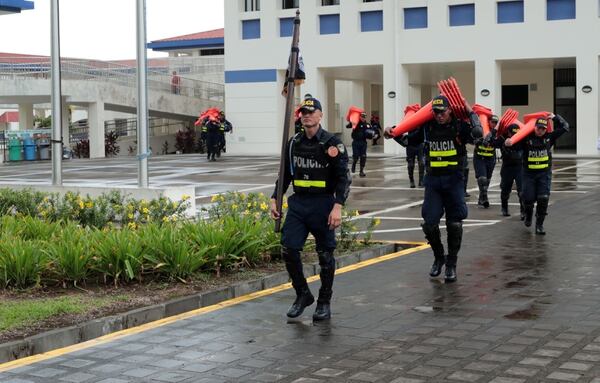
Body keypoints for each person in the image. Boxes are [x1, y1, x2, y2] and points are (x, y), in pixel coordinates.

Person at [386, 95, 482, 283]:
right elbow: (408, 141)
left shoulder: (459, 126)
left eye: (443, 112)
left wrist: (471, 112)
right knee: (429, 223)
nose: (439, 116)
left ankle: (451, 264)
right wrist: (393, 133)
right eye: (436, 112)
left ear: (450, 110)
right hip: (433, 181)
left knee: (455, 223)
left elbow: (478, 135)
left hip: (454, 181)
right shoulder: (426, 127)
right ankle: (439, 257)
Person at [270, 97, 351, 321]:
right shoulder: (294, 143)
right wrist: (275, 198)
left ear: (320, 115)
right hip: (299, 204)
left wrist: (337, 206)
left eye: (311, 111)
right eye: (303, 112)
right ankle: (302, 294)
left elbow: (344, 178)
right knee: (289, 248)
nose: (306, 115)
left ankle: (324, 301)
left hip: (323, 204)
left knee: (325, 255)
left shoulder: (331, 144)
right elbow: (284, 175)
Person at [505, 114, 569, 235]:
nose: (540, 131)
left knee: (543, 199)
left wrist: (555, 117)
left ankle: (539, 225)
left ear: (546, 129)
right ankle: (528, 215)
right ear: (534, 127)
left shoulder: (550, 137)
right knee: (528, 199)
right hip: (528, 174)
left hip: (544, 174)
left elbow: (565, 127)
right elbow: (513, 146)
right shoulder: (526, 138)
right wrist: (508, 143)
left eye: (543, 129)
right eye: (538, 128)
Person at [494, 123, 524, 218]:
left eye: (516, 133)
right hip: (507, 167)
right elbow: (492, 142)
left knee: (522, 191)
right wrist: (495, 129)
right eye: (512, 133)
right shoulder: (503, 138)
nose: (514, 135)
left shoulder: (522, 139)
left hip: (519, 167)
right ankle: (504, 208)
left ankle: (523, 210)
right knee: (505, 190)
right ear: (508, 133)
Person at [473, 115, 499, 208]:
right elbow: (474, 140)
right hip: (480, 158)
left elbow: (499, 143)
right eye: (492, 122)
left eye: (496, 123)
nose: (494, 124)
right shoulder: (481, 130)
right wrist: (480, 140)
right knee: (482, 178)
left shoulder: (497, 133)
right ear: (488, 122)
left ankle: (481, 197)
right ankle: (485, 198)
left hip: (490, 159)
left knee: (487, 180)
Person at [346, 112, 372, 177]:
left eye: (364, 117)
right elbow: (348, 126)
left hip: (363, 142)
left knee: (363, 156)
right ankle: (354, 164)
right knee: (356, 156)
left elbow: (371, 133)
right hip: (356, 142)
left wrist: (373, 135)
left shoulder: (367, 125)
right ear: (359, 117)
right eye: (362, 116)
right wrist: (351, 122)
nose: (363, 118)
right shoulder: (356, 123)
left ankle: (361, 171)